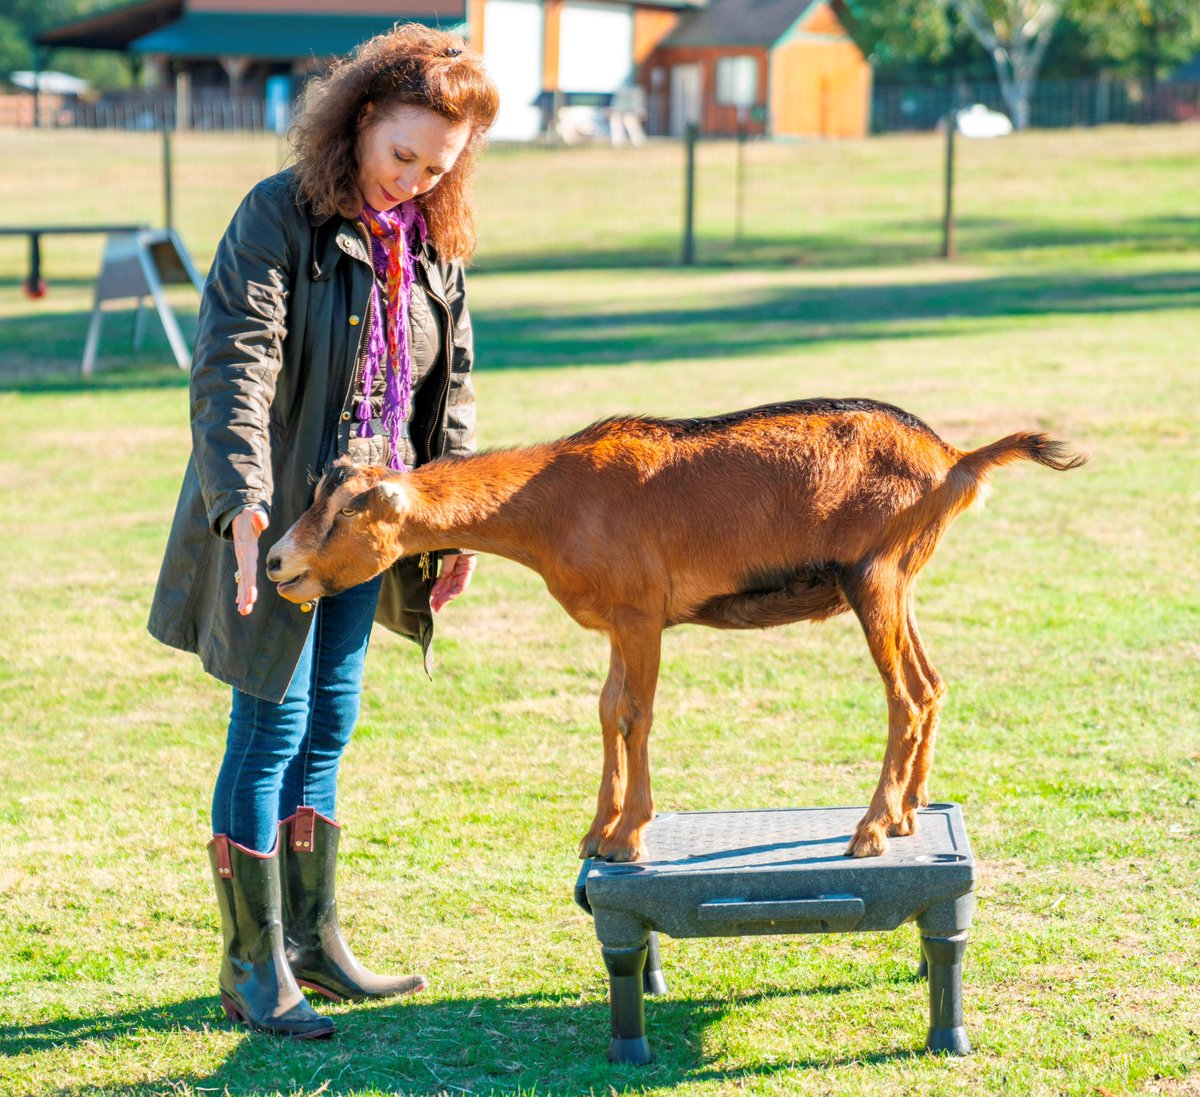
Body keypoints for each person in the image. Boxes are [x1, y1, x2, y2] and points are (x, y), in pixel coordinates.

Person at [148, 25, 499, 1039]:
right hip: (280, 524)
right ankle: (251, 964)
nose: (415, 180)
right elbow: (234, 364)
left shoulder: (432, 239)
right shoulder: (277, 214)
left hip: (372, 529)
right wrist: (241, 503)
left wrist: (451, 520)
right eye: (403, 155)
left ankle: (310, 943)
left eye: (438, 167)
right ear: (361, 120)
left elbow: (451, 388)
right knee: (271, 724)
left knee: (329, 721)